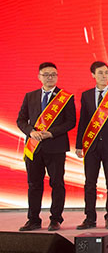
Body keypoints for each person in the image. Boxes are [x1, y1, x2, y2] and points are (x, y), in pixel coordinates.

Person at [17, 62, 76, 231]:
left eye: (53, 75)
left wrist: (51, 133)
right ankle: (33, 219)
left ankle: (56, 219)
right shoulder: (30, 96)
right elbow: (21, 120)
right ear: (39, 77)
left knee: (57, 184)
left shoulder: (65, 98)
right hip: (34, 147)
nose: (50, 77)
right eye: (46, 75)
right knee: (34, 184)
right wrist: (31, 132)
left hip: (56, 147)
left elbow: (70, 122)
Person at [75, 61, 108, 230]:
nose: (104, 76)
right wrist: (79, 144)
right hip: (91, 145)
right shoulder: (86, 95)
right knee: (90, 183)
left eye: (106, 72)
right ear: (93, 75)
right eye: (100, 73)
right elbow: (83, 121)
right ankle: (90, 218)